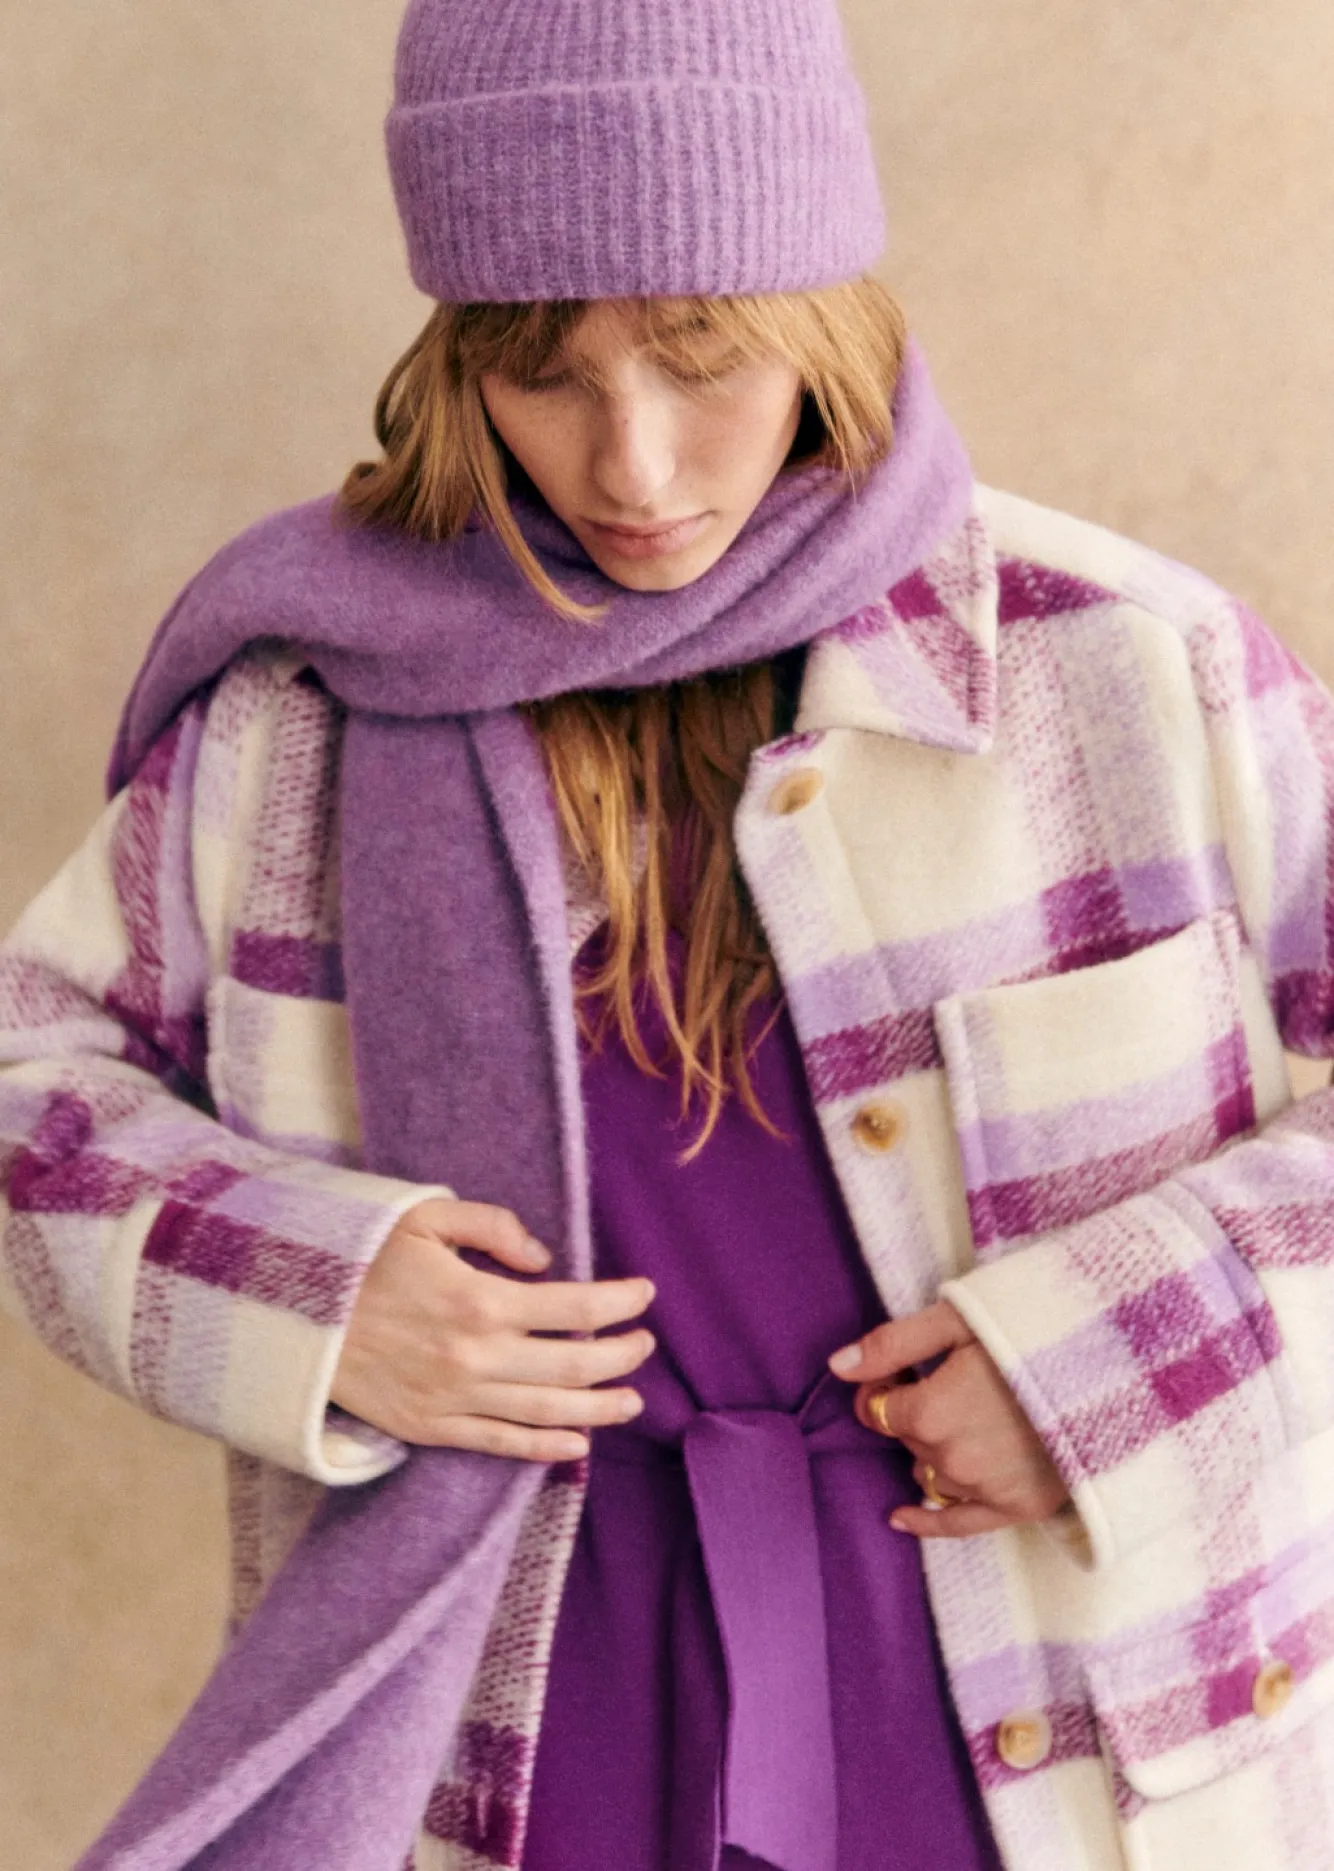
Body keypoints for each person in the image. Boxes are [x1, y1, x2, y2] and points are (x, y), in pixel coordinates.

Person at [4, 0, 1334, 1867]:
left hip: (1062, 1728)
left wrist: (1106, 1365)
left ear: (822, 315)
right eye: (542, 372)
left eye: (703, 355)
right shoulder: (299, 725)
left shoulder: (1127, 670)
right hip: (521, 1732)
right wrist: (316, 1293)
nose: (630, 466)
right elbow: (31, 1087)